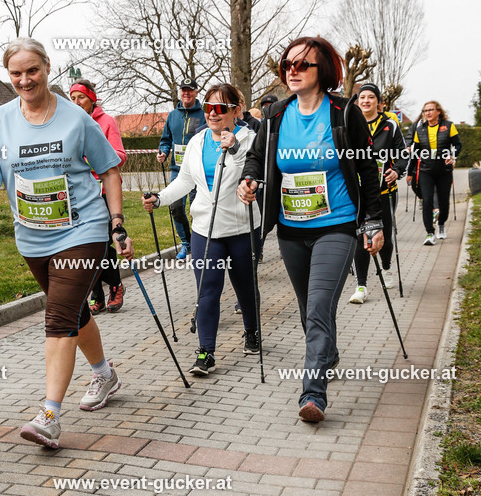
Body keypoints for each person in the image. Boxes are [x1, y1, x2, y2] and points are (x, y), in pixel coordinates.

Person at [0, 38, 134, 451]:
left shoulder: (75, 118)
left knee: (58, 316)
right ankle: (105, 374)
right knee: (74, 314)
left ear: (47, 67)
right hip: (32, 237)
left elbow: (110, 169)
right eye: (15, 73)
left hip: (82, 230)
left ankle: (49, 416)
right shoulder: (1, 120)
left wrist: (117, 222)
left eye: (32, 70)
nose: (24, 80)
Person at [238, 36, 383, 424]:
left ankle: (313, 394)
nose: (293, 70)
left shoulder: (343, 112)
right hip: (290, 230)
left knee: (320, 306)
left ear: (323, 71)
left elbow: (367, 169)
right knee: (308, 310)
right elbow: (256, 157)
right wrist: (249, 180)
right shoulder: (276, 115)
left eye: (303, 65)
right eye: (288, 64)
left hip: (337, 226)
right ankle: (327, 353)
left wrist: (373, 221)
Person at [143, 82, 260, 376]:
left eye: (220, 108)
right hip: (205, 228)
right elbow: (185, 180)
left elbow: (253, 172)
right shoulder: (197, 141)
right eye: (208, 107)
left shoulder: (249, 139)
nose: (213, 113)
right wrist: (160, 198)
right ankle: (206, 352)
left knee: (245, 286)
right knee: (207, 291)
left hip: (241, 228)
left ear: (236, 110)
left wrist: (234, 148)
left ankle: (252, 331)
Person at [69, 79, 127, 314]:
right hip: (79, 193)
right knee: (85, 246)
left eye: (81, 97)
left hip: (103, 191)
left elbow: (120, 156)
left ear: (92, 99)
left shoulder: (106, 122)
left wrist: (94, 160)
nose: (76, 102)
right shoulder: (70, 124)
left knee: (102, 244)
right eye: (72, 98)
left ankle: (115, 286)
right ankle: (97, 294)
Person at [348, 83, 408, 302]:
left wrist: (397, 170)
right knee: (360, 235)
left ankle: (386, 267)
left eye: (371, 97)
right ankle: (361, 286)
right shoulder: (349, 124)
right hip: (357, 191)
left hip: (384, 190)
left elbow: (403, 154)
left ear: (379, 102)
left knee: (384, 235)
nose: (366, 101)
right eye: (362, 97)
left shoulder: (390, 124)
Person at [157, 79, 207, 260]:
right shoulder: (172, 115)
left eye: (190, 90)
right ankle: (186, 243)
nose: (186, 93)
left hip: (198, 169)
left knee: (197, 208)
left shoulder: (203, 114)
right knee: (175, 206)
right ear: (180, 92)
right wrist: (163, 152)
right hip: (177, 169)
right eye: (183, 90)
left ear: (196, 92)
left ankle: (200, 244)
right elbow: (165, 140)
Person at [407, 100, 461, 244]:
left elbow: (457, 144)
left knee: (443, 203)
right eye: (425, 111)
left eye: (431, 110)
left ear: (438, 111)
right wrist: (410, 173)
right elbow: (415, 153)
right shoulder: (420, 129)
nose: (428, 113)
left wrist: (452, 155)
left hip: (444, 170)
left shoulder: (448, 126)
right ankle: (429, 233)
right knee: (427, 201)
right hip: (426, 171)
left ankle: (441, 223)